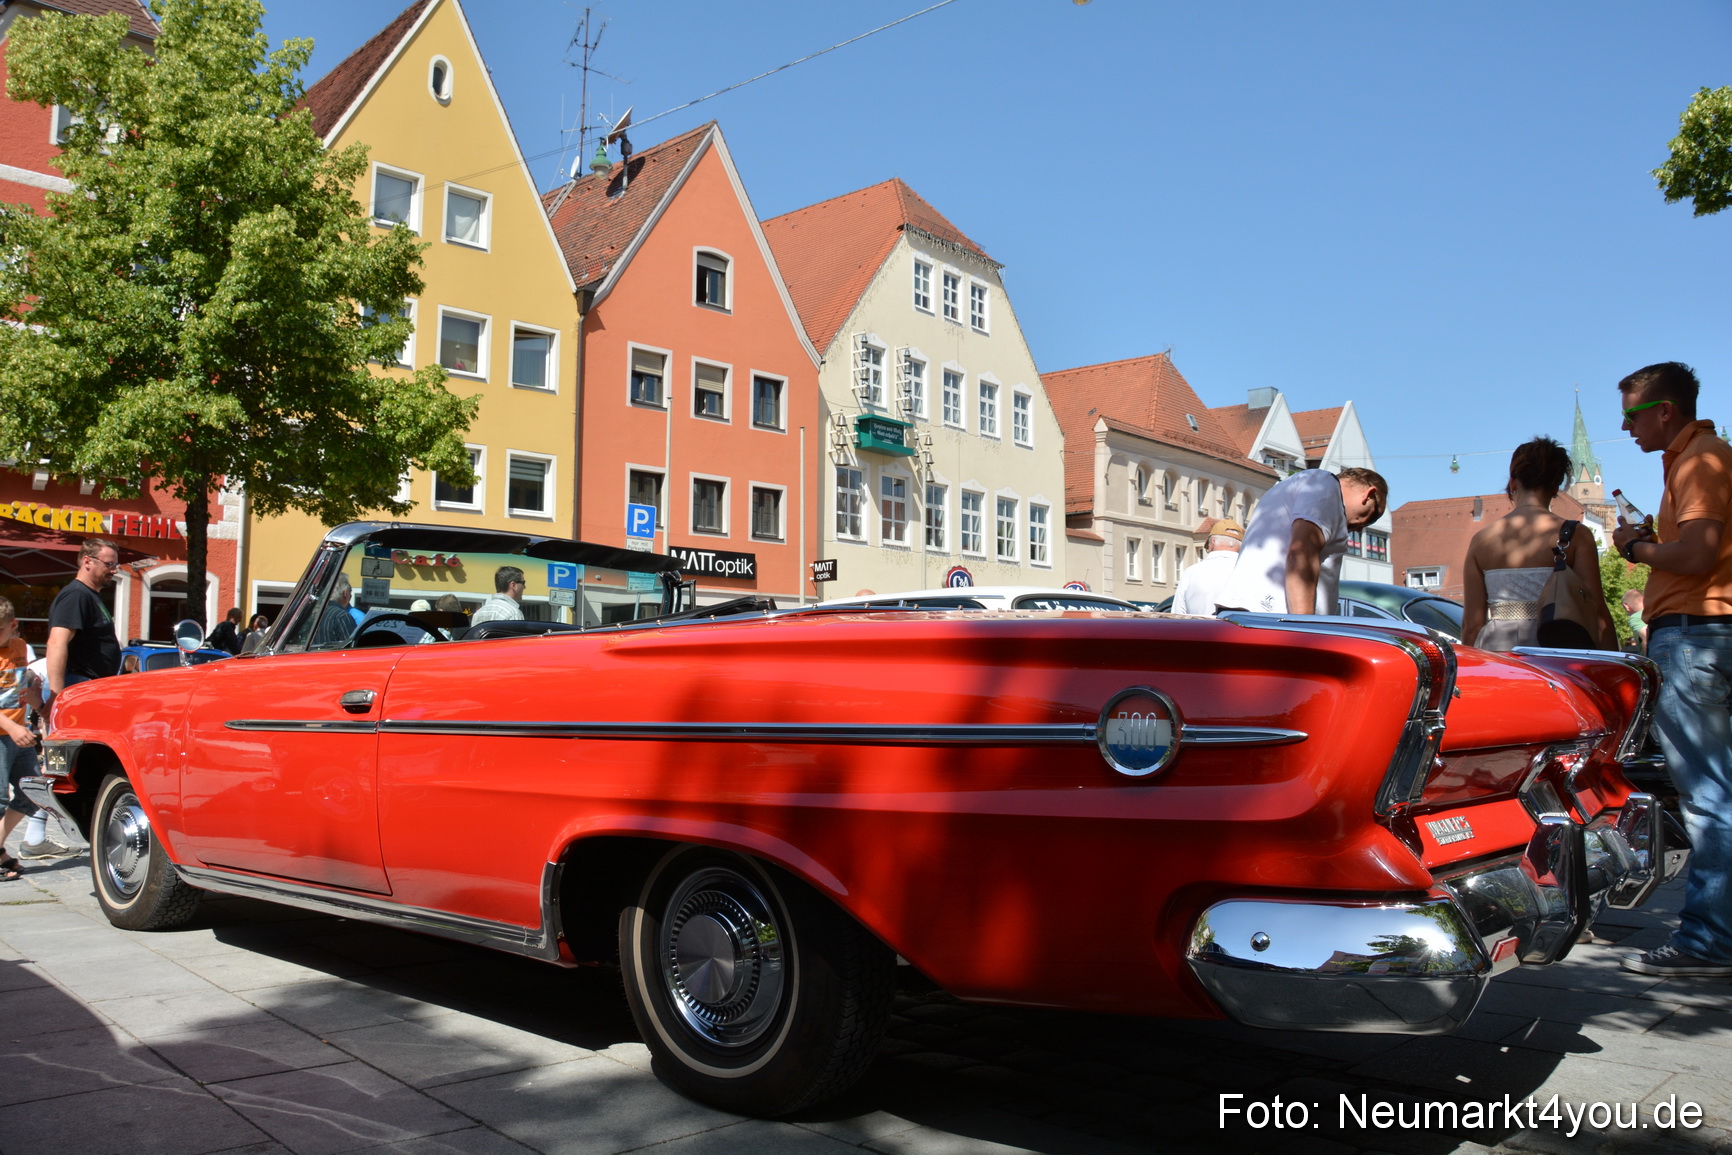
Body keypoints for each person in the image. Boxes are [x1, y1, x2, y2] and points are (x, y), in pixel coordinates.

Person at [1609, 362, 1732, 978]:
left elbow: (1700, 553)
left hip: (1696, 634)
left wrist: (1635, 549)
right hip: (1709, 629)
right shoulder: (1703, 457)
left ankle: (1708, 942)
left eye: (1632, 414)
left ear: (1665, 410)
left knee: (1709, 798)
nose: (1625, 427)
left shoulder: (1698, 458)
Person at [1460, 437, 1619, 652]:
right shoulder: (1576, 536)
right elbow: (1598, 614)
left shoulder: (1481, 540)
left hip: (1498, 653)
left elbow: (1472, 625)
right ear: (1557, 486)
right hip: (1557, 651)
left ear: (1514, 483)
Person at [1217, 467, 1388, 615]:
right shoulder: (1324, 485)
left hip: (1257, 614)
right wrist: (1304, 629)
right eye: (1371, 516)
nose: (1360, 528)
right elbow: (1302, 553)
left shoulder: (1296, 486)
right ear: (1369, 495)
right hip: (1272, 619)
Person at [0, 599, 45, 880]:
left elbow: (19, 687)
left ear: (13, 625)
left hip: (20, 733)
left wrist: (36, 700)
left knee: (34, 793)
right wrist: (13, 729)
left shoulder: (19, 648)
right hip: (6, 734)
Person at [1172, 518, 1243, 616]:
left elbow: (1177, 616)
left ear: (1212, 543)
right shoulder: (1251, 572)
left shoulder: (1191, 573)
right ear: (1241, 546)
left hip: (1199, 630)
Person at [1622, 589, 1647, 653]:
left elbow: (1645, 635)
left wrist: (1647, 661)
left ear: (1626, 606)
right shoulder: (1653, 612)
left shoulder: (1635, 617)